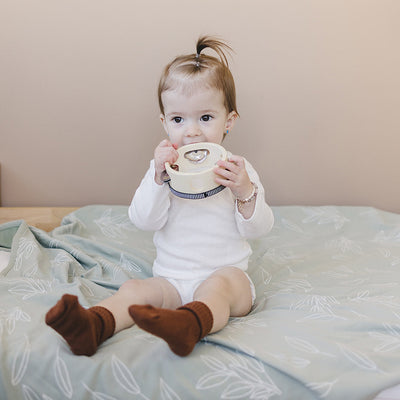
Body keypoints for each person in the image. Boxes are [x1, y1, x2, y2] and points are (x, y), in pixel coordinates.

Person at [45, 36, 274, 357]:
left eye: (205, 118)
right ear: (165, 123)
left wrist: (244, 191)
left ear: (229, 122)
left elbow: (259, 228)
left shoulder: (238, 169)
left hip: (226, 278)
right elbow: (143, 220)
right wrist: (157, 178)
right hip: (172, 280)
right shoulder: (166, 170)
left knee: (221, 285)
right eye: (179, 120)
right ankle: (93, 324)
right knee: (135, 289)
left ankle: (189, 324)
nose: (191, 131)